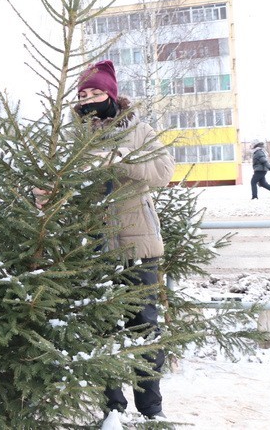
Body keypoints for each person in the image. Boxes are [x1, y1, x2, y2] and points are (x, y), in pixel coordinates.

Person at [73, 59, 175, 421]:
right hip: (92, 247)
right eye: (83, 95)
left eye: (97, 93)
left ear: (112, 96)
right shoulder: (74, 136)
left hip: (137, 242)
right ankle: (111, 409)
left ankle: (151, 409)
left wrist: (118, 159)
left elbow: (163, 172)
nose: (89, 101)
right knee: (100, 328)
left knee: (144, 325)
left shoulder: (139, 130)